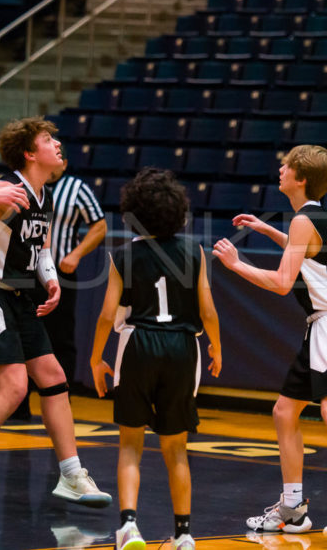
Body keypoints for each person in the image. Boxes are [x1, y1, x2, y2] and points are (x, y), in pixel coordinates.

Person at [0, 116, 112, 508]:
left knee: (53, 377)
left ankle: (71, 475)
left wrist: (50, 281)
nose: (58, 145)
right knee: (14, 387)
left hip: (19, 297)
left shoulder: (44, 195)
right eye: (49, 139)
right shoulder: (4, 187)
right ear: (31, 153)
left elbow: (42, 250)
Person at [212, 145, 327, 537]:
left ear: (301, 178)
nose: (280, 168)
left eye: (287, 165)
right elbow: (306, 254)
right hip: (320, 325)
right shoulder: (306, 219)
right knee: (284, 412)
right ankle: (292, 509)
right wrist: (267, 229)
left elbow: (282, 282)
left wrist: (236, 264)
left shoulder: (306, 220)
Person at [90, 168, 222, 550]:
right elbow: (209, 312)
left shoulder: (123, 255)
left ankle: (129, 526)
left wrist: (97, 359)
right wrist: (216, 346)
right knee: (176, 447)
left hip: (138, 344)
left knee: (131, 443)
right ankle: (183, 534)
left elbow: (105, 315)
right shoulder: (195, 252)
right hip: (183, 346)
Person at [12, 157, 107, 419]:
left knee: (61, 339)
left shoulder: (77, 188)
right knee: (20, 336)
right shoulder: (22, 185)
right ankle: (17, 403)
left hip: (61, 275)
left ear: (65, 164)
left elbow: (100, 226)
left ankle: (61, 402)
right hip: (26, 273)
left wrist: (76, 255)